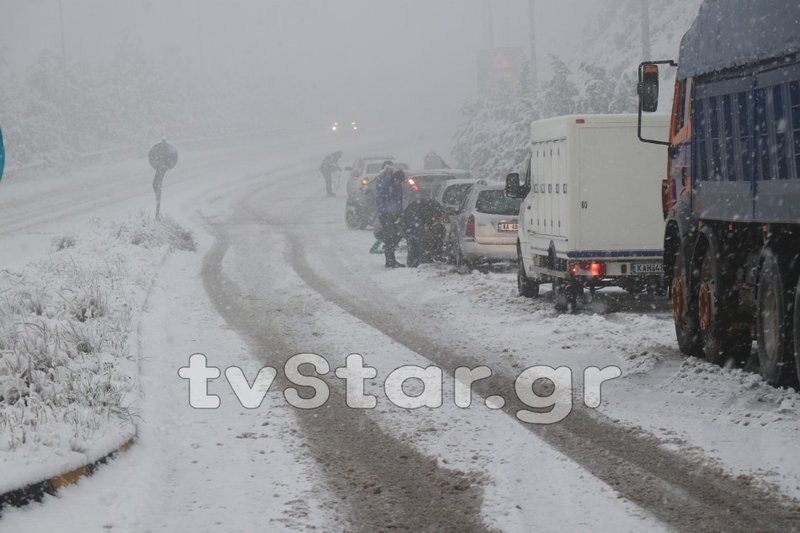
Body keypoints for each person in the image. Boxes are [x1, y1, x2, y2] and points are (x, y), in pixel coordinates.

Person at [400, 195, 448, 268]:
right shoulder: (434, 210)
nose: (442, 221)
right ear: (443, 214)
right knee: (420, 239)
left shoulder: (435, 210)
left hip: (410, 217)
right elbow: (425, 221)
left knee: (415, 239)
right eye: (443, 219)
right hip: (411, 217)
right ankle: (421, 261)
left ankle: (414, 261)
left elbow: (427, 223)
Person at [375, 163, 405, 268]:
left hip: (394, 214)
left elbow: (399, 200)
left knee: (394, 236)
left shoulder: (398, 186)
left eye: (401, 182)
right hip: (385, 214)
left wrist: (399, 212)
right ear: (395, 178)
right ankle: (390, 261)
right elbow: (380, 198)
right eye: (399, 181)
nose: (399, 183)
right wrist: (385, 211)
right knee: (390, 237)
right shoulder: (386, 183)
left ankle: (391, 259)